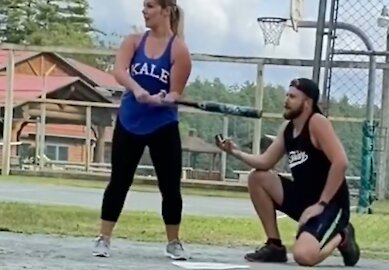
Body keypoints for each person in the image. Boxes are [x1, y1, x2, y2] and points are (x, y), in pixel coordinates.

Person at [215, 78, 360, 267]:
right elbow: (265, 162)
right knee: (258, 177)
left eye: (292, 97)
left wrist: (321, 204)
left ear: (307, 102)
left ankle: (342, 235)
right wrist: (235, 152)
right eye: (287, 95)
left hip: (330, 205)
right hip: (303, 199)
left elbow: (341, 163)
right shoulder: (288, 128)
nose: (286, 100)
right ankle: (274, 246)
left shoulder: (317, 122)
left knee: (304, 257)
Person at [92, 0, 192, 260]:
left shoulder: (179, 50)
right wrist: (138, 91)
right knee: (119, 182)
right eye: (144, 6)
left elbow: (176, 90)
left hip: (162, 124)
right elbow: (119, 71)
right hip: (130, 120)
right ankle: (103, 238)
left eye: (150, 6)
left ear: (166, 11)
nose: (144, 11)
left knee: (170, 187)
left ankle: (173, 242)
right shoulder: (134, 41)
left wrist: (167, 97)